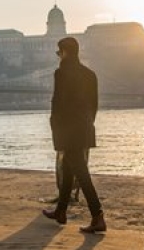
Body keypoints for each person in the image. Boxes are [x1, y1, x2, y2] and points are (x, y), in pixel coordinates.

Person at [42, 37, 106, 233]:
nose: (58, 57)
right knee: (70, 168)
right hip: (85, 128)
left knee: (80, 171)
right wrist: (87, 125)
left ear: (65, 52)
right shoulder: (90, 74)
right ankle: (61, 211)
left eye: (58, 53)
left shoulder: (61, 73)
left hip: (68, 129)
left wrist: (55, 126)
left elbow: (58, 102)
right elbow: (94, 105)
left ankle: (98, 215)